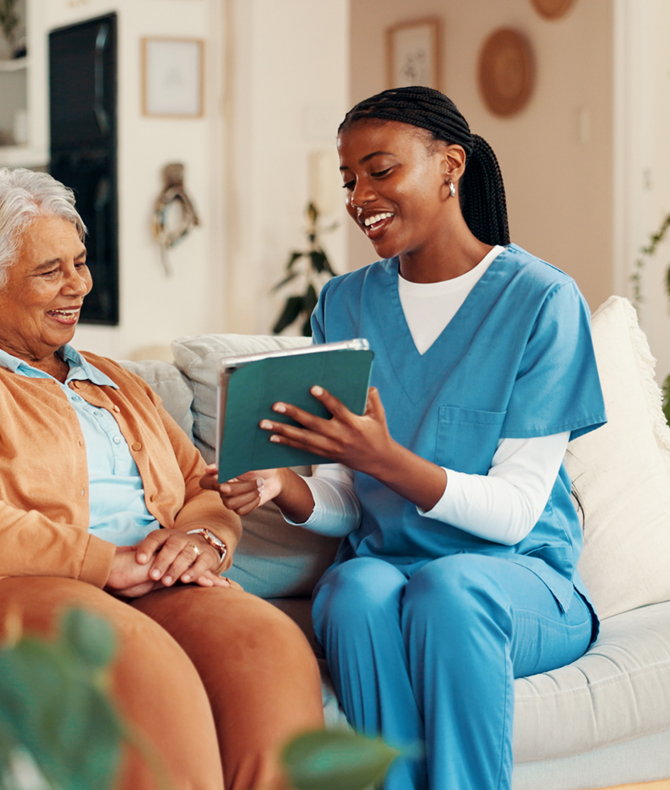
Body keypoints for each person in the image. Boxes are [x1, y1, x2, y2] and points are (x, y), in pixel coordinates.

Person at [0, 168, 323, 790]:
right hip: (10, 590)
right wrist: (102, 562)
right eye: (49, 271)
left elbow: (198, 489)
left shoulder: (114, 381)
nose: (77, 285)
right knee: (134, 658)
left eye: (79, 263)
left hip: (151, 579)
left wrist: (204, 543)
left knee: (266, 644)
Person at [203, 87, 607, 790]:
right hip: (389, 573)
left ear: (450, 166)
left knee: (449, 591)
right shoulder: (344, 302)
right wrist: (285, 487)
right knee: (353, 588)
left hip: (517, 582)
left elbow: (515, 512)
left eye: (380, 170)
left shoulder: (542, 301)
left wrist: (386, 459)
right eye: (349, 179)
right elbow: (350, 500)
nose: (360, 196)